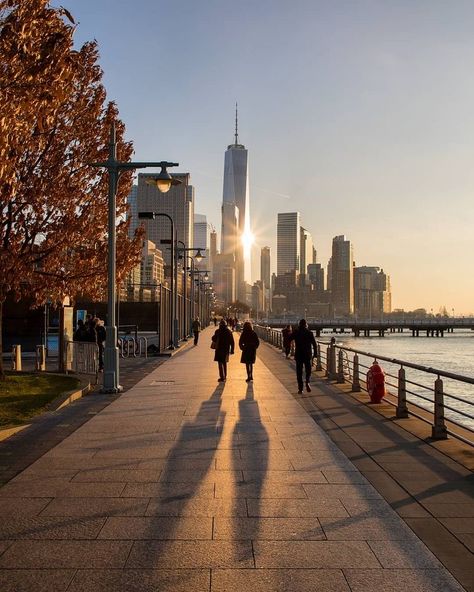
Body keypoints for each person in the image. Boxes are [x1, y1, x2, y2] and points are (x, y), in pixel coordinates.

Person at [289, 318, 318, 394]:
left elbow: (289, 338)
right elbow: (314, 345)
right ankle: (307, 381)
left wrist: (291, 331)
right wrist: (315, 354)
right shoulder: (309, 333)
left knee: (299, 372)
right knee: (308, 370)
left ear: (299, 325)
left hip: (299, 354)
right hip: (307, 355)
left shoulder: (296, 332)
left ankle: (300, 388)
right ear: (306, 325)